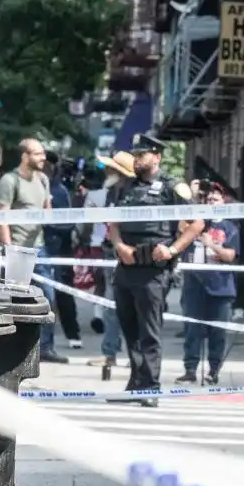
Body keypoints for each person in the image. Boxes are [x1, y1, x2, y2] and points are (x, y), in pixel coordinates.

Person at [106, 134, 203, 407]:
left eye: (143, 155)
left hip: (154, 269)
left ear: (156, 157)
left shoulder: (172, 187)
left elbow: (197, 224)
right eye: (135, 155)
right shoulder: (124, 186)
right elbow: (111, 221)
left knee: (149, 331)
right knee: (129, 328)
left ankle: (150, 386)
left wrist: (173, 250)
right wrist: (119, 245)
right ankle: (136, 382)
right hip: (126, 265)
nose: (137, 159)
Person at [0, 138, 67, 364]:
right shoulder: (10, 180)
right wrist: (9, 248)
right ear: (25, 156)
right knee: (13, 300)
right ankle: (8, 348)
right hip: (17, 249)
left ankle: (46, 347)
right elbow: (2, 216)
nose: (42, 158)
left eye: (43, 154)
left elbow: (47, 211)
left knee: (48, 297)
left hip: (40, 248)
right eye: (37, 154)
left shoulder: (44, 179)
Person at [176, 182, 240, 385]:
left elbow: (230, 255)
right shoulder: (195, 223)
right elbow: (180, 228)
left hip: (220, 287)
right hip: (194, 285)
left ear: (224, 202)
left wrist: (211, 244)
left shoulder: (230, 227)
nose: (212, 202)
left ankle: (213, 370)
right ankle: (190, 369)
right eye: (209, 199)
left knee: (217, 333)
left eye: (216, 199)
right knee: (192, 331)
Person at [85, 151, 136, 370]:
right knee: (111, 305)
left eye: (111, 168)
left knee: (130, 305)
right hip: (111, 251)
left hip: (128, 253)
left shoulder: (130, 194)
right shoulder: (112, 193)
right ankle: (110, 353)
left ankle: (133, 355)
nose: (107, 172)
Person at [44, 151, 82, 349]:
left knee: (64, 292)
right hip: (40, 246)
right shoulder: (39, 186)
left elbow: (67, 222)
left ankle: (73, 334)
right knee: (42, 295)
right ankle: (43, 341)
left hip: (60, 247)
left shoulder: (60, 190)